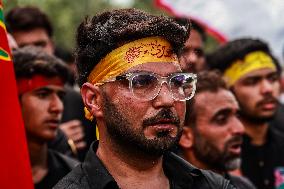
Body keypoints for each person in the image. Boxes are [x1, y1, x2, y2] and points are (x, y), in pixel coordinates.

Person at [54, 8, 236, 189]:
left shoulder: (214, 185)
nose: (167, 100)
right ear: (94, 99)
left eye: (176, 82)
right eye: (142, 82)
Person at [6, 6, 94, 159]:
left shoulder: (80, 103)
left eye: (40, 45)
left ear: (51, 45)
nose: (35, 53)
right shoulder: (5, 102)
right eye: (24, 48)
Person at [207, 38, 284, 189]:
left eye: (272, 78)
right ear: (226, 89)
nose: (267, 89)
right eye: (252, 81)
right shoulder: (210, 153)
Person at [12, 46, 79, 189]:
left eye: (60, 96)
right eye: (43, 94)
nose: (58, 107)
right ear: (13, 101)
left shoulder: (76, 177)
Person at [178, 70, 256, 189]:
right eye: (222, 119)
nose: (239, 129)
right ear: (185, 136)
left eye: (237, 116)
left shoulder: (243, 186)